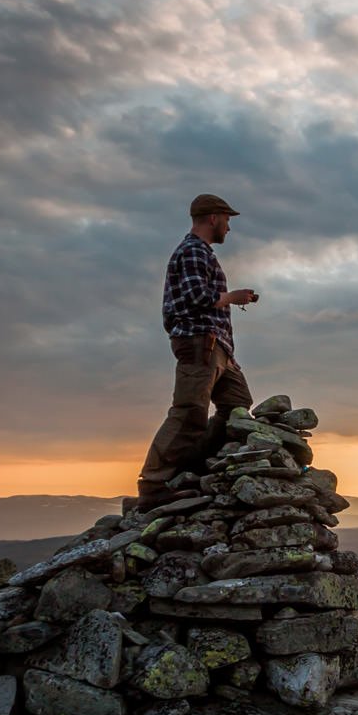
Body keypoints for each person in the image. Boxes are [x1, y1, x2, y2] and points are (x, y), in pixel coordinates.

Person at [135, 193, 260, 510]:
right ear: (213, 218)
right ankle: (153, 484)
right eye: (227, 220)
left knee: (238, 405)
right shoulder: (192, 251)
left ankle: (191, 467)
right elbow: (196, 297)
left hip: (217, 346)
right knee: (189, 411)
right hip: (198, 341)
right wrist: (233, 297)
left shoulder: (201, 252)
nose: (229, 228)